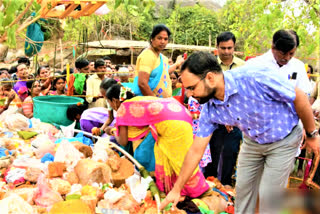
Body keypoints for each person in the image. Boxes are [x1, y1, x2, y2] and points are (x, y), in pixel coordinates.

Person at [160, 51, 320, 214]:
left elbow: (299, 97)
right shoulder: (209, 109)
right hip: (252, 142)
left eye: (192, 88)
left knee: (268, 197)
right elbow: (195, 151)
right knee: (243, 194)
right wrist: (176, 190)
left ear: (210, 78)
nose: (189, 94)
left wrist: (312, 134)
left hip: (283, 139)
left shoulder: (253, 76)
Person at [105, 83, 209, 196]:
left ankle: (198, 191)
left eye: (109, 102)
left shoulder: (123, 107)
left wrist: (112, 131)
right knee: (179, 158)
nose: (111, 106)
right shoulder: (139, 100)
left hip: (174, 124)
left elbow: (123, 141)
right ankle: (183, 190)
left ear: (115, 100)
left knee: (180, 162)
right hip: (182, 114)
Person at [204, 32, 244, 186]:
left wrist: (232, 118)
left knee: (230, 154)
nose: (226, 51)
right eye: (223, 48)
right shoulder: (210, 67)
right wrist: (224, 116)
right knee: (212, 155)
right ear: (217, 47)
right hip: (215, 118)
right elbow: (208, 92)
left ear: (234, 47)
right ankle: (209, 188)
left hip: (236, 121)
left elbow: (242, 95)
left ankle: (225, 190)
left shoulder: (243, 67)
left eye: (230, 48)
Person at [246, 29, 311, 95]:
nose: (287, 58)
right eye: (283, 53)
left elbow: (305, 93)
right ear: (273, 47)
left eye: (291, 53)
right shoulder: (254, 65)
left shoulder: (298, 66)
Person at [132, 24, 174, 98]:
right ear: (152, 39)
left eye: (165, 39)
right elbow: (142, 83)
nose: (163, 41)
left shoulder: (160, 57)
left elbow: (165, 71)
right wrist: (155, 102)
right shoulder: (148, 55)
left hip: (161, 103)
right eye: (159, 38)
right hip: (150, 104)